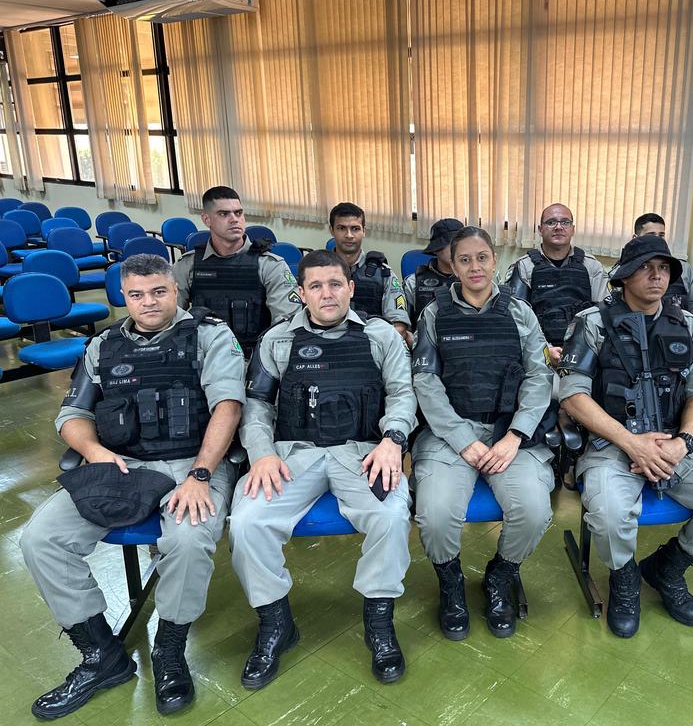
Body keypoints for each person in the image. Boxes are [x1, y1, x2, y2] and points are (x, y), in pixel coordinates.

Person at [21, 254, 245, 719]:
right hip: (122, 463)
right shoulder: (103, 346)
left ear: (175, 290)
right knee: (41, 538)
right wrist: (95, 452)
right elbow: (72, 415)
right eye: (137, 295)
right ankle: (101, 655)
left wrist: (201, 474)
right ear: (123, 296)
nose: (149, 302)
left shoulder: (209, 335)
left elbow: (227, 407)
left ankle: (169, 647)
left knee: (187, 539)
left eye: (159, 291)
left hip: (191, 463)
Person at [229, 249, 416, 686]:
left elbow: (402, 394)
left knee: (391, 516)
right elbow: (256, 405)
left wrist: (393, 440)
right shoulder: (277, 340)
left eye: (335, 284)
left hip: (362, 452)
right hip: (293, 454)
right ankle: (276, 623)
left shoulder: (380, 336)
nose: (327, 294)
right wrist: (262, 454)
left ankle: (379, 620)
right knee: (247, 522)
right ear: (301, 293)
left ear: (350, 288)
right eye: (315, 286)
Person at [558, 235, 693, 638]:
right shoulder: (592, 323)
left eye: (664, 268)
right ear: (625, 275)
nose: (657, 276)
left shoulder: (688, 326)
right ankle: (624, 576)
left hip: (676, 443)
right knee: (608, 515)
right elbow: (573, 395)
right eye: (646, 267)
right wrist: (632, 443)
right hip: (612, 445)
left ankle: (668, 567)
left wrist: (682, 442)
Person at [412, 227, 554, 641]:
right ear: (452, 266)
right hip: (449, 434)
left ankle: (500, 575)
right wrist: (462, 439)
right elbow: (425, 383)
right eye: (464, 260)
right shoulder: (434, 314)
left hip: (510, 431)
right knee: (435, 515)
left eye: (482, 257)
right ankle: (451, 582)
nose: (474, 266)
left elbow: (539, 376)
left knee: (534, 510)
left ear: (495, 260)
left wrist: (515, 435)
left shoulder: (521, 313)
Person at [172, 185, 301, 356]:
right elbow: (170, 318)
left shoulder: (270, 265)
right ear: (206, 219)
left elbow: (285, 323)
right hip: (204, 357)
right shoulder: (188, 265)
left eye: (238, 213)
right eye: (224, 214)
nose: (234, 219)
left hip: (254, 357)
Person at [505, 203, 609, 360]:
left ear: (573, 229)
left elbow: (604, 313)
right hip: (538, 351)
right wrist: (546, 350)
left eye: (565, 222)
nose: (558, 227)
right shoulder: (524, 267)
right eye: (551, 222)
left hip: (586, 349)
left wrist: (585, 349)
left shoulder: (592, 266)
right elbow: (517, 319)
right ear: (540, 229)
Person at [329, 202, 411, 341]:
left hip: (374, 345)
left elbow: (399, 327)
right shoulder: (317, 273)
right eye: (342, 228)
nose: (349, 235)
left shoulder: (384, 273)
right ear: (332, 230)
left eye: (355, 228)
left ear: (364, 231)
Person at [615, 213, 693, 321]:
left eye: (661, 235)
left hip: (677, 322)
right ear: (635, 238)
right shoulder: (624, 269)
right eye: (651, 235)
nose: (656, 276)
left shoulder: (683, 268)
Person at [403, 217, 462, 329]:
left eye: (460, 243)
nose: (457, 248)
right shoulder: (413, 282)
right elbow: (404, 325)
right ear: (435, 249)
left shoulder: (474, 278)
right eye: (450, 243)